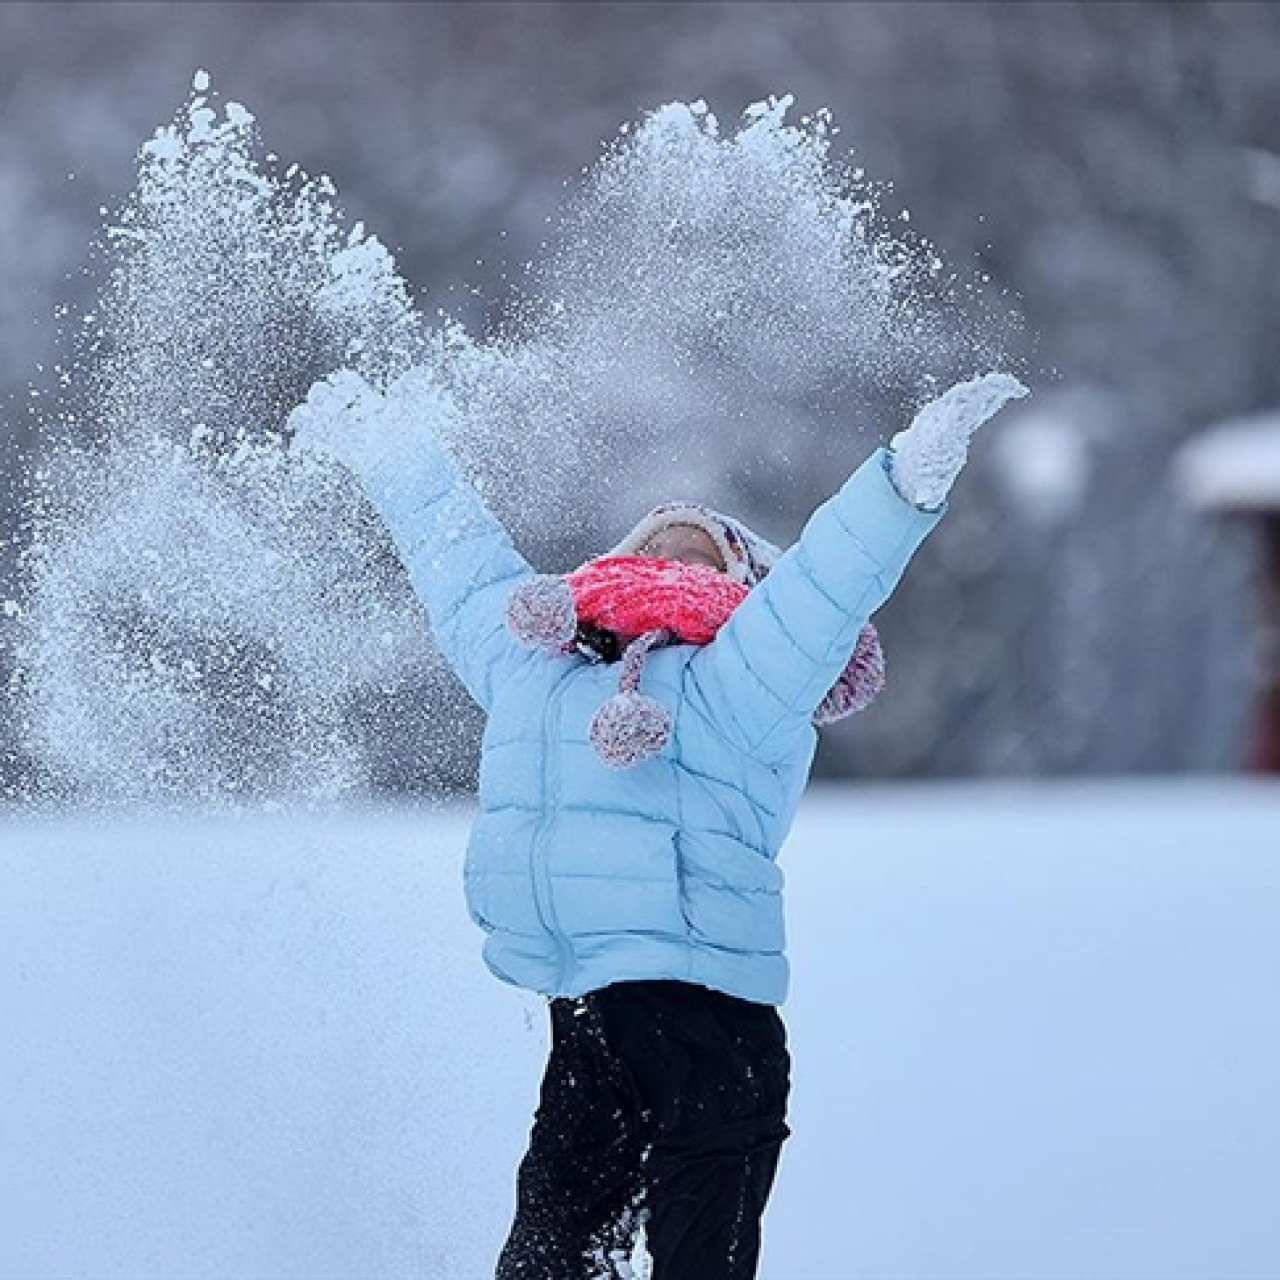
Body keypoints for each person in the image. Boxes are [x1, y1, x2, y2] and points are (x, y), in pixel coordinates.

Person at [287, 367, 1029, 1279]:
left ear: (747, 588)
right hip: (590, 1015)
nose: (672, 564)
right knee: (546, 1257)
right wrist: (392, 454)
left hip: (710, 1017)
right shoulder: (537, 670)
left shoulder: (746, 679)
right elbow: (462, 564)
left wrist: (903, 480)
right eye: (654, 548)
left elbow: (826, 587)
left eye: (701, 557)